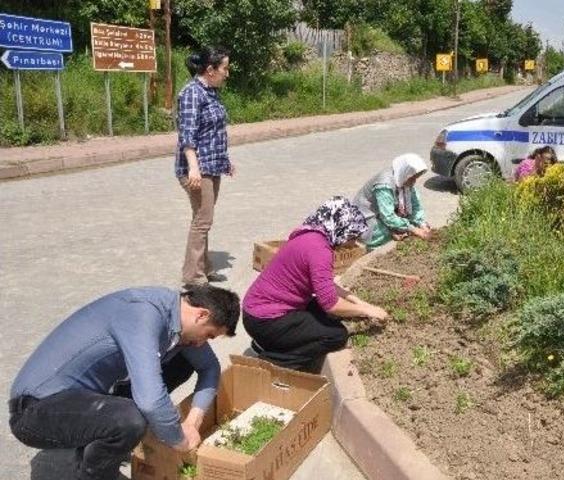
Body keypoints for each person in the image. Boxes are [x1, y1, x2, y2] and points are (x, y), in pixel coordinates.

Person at [8, 285, 240, 480]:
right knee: (130, 420)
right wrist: (179, 440)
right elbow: (150, 401)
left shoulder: (174, 318)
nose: (203, 344)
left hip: (83, 397)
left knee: (184, 361)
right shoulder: (143, 314)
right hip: (35, 409)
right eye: (209, 335)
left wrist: (193, 421)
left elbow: (209, 367)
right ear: (201, 315)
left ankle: (98, 442)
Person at [243, 197, 390, 373]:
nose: (352, 244)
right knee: (336, 335)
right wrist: (367, 311)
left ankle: (270, 343)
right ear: (341, 228)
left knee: (330, 317)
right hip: (266, 320)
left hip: (259, 312)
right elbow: (331, 305)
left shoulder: (310, 235)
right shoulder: (320, 251)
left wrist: (360, 303)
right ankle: (277, 360)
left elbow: (326, 286)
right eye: (352, 237)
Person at [176, 46, 233, 286]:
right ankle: (193, 278)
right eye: (224, 68)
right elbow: (187, 135)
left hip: (212, 166)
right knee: (202, 221)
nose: (227, 73)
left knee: (203, 219)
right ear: (210, 70)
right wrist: (193, 168)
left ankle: (204, 268)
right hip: (198, 169)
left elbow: (213, 131)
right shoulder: (192, 93)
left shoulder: (210, 92)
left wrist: (225, 161)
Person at [353, 153, 432, 250]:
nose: (414, 182)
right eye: (412, 178)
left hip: (381, 214)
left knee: (410, 226)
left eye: (416, 178)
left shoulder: (404, 179)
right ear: (406, 172)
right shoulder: (385, 184)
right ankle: (372, 253)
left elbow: (415, 206)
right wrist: (413, 230)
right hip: (366, 219)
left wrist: (422, 224)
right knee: (387, 234)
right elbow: (388, 216)